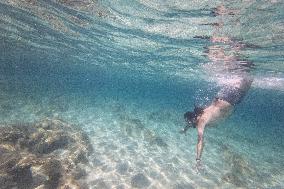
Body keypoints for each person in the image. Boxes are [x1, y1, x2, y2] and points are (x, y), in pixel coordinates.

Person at [180, 76, 253, 164]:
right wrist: (185, 129)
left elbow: (200, 140)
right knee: (249, 78)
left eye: (191, 122)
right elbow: (192, 123)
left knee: (246, 77)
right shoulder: (199, 117)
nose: (192, 125)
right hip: (229, 100)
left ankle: (239, 70)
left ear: (195, 117)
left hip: (227, 98)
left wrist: (198, 159)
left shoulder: (201, 121)